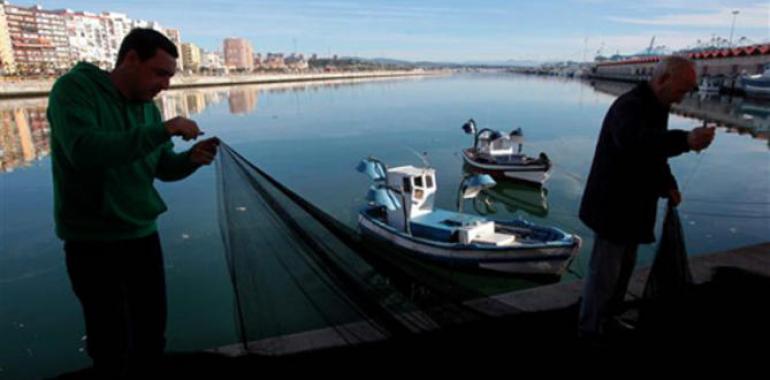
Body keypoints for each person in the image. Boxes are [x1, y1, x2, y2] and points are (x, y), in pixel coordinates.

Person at [47, 28, 219, 377]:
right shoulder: (74, 90)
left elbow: (162, 167)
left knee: (151, 331)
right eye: (160, 73)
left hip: (142, 236)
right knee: (108, 338)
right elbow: (84, 150)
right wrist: (164, 130)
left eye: (170, 76)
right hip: (91, 241)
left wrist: (190, 160)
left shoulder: (148, 111)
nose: (166, 85)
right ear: (130, 59)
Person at [577, 56, 715, 338]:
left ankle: (609, 319)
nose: (682, 98)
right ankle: (590, 330)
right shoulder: (629, 106)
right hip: (612, 207)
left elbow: (654, 154)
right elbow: (635, 143)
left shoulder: (656, 106)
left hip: (634, 207)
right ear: (663, 79)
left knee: (623, 270)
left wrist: (668, 184)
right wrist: (685, 140)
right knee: (604, 275)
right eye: (681, 90)